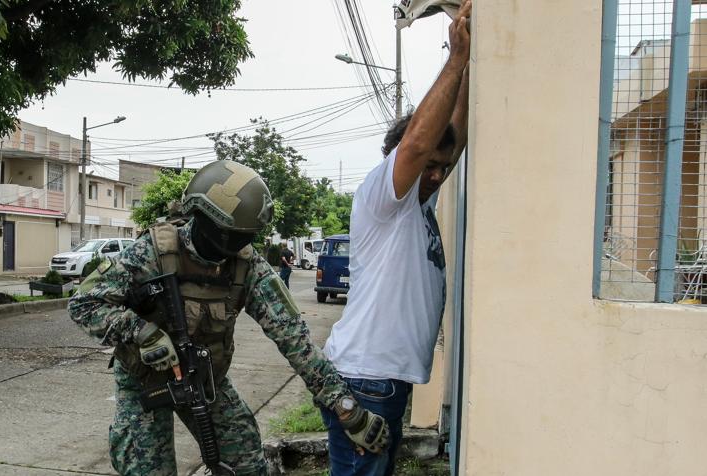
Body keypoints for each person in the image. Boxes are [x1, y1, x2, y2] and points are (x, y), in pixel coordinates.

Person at [70, 160, 389, 476]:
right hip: (144, 380)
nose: (239, 245)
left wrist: (347, 410)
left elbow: (294, 339)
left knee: (247, 463)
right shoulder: (151, 253)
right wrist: (141, 332)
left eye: (245, 236)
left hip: (204, 378)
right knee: (146, 468)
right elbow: (84, 303)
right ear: (206, 219)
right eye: (232, 236)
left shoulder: (247, 267)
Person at [320, 2, 472, 475]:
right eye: (429, 167)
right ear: (396, 162)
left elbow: (455, 136)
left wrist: (472, 55)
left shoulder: (419, 205)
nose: (436, 175)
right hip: (366, 380)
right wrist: (455, 60)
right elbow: (418, 145)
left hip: (383, 380)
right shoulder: (382, 197)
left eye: (443, 169)